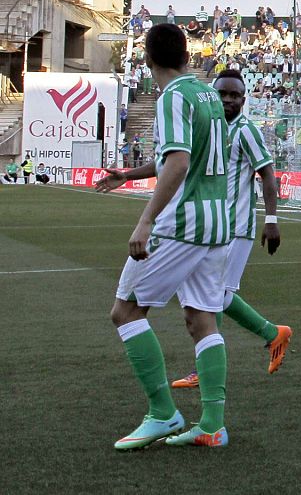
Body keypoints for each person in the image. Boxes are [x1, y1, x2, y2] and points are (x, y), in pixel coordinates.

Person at [97, 23, 234, 449]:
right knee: (201, 319)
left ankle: (162, 412)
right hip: (218, 222)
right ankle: (212, 425)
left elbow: (176, 163)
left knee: (126, 312)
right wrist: (129, 174)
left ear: (148, 58)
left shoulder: (173, 96)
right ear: (186, 55)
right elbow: (181, 158)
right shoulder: (207, 93)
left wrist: (146, 220)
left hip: (183, 223)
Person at [168, 69, 292, 390]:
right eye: (222, 94)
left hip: (237, 226)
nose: (227, 100)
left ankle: (207, 369)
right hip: (213, 225)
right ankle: (271, 334)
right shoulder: (210, 128)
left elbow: (266, 174)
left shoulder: (246, 131)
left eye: (234, 95)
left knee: (216, 296)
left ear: (243, 100)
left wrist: (272, 219)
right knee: (212, 296)